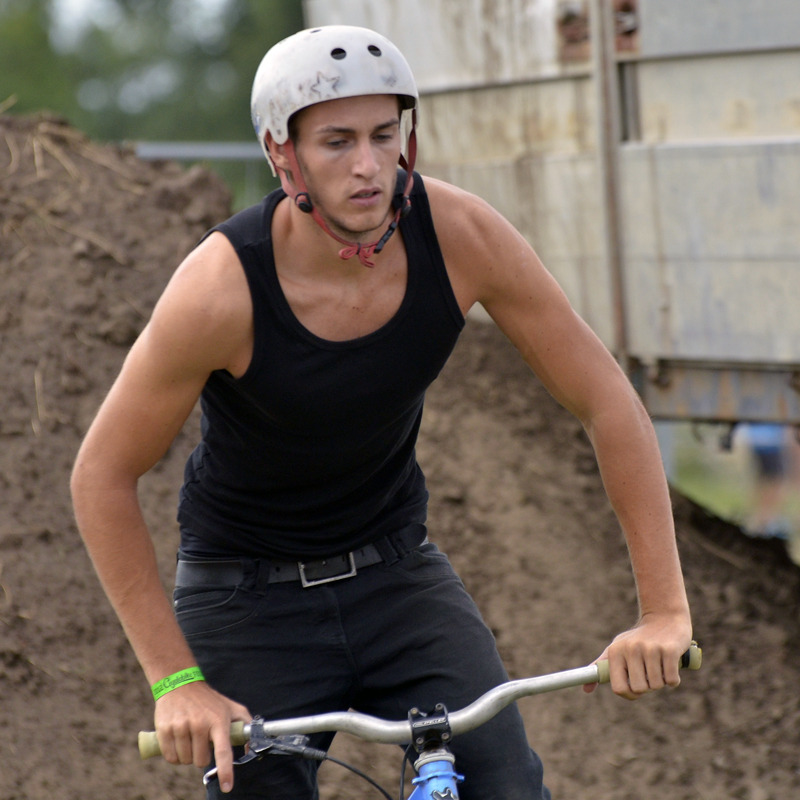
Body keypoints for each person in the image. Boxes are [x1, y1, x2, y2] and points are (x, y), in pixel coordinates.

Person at [70, 25, 693, 799]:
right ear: (282, 154)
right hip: (247, 599)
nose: (368, 166)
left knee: (505, 784)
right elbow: (101, 475)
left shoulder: (460, 236)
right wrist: (175, 681)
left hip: (398, 577)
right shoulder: (219, 291)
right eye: (336, 142)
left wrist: (663, 610)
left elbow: (607, 401)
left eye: (383, 135)